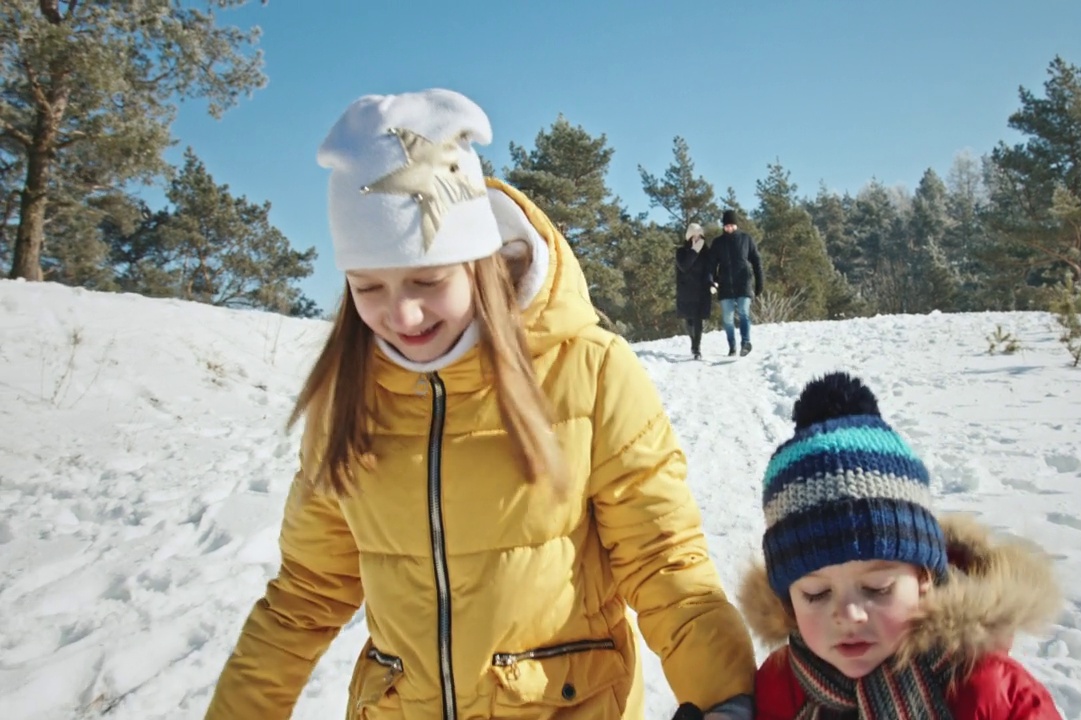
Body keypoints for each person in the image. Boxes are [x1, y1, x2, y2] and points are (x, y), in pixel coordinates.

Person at [203, 89, 755, 720]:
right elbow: (305, 592)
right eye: (368, 287)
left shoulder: (589, 371)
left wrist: (728, 698)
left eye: (427, 280)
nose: (401, 314)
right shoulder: (347, 400)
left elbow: (664, 564)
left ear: (479, 264)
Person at [739, 372, 1065, 719]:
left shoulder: (993, 695)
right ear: (788, 600)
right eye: (817, 594)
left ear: (924, 578)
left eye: (878, 588)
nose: (850, 615)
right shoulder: (780, 688)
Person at [707, 210, 763, 357]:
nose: (729, 228)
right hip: (725, 285)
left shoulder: (746, 239)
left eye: (731, 225)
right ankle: (732, 346)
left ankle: (745, 343)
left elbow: (756, 261)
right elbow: (711, 264)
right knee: (727, 318)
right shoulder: (718, 243)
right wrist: (711, 280)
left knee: (744, 313)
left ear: (736, 225)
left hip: (744, 283)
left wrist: (759, 282)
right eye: (726, 226)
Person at [675, 222, 714, 360]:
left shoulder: (707, 253)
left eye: (700, 236)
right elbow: (685, 266)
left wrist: (711, 282)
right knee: (689, 320)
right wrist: (694, 251)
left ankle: (696, 348)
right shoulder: (681, 252)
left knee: (698, 320)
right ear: (689, 237)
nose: (697, 239)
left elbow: (709, 269)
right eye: (694, 236)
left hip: (702, 290)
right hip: (686, 290)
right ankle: (693, 342)